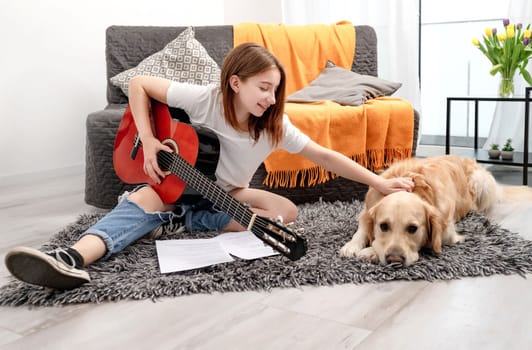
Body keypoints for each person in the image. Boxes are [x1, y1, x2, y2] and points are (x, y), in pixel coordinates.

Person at [4, 43, 414, 290]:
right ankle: (70, 259)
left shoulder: (274, 124)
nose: (271, 99)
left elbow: (325, 156)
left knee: (284, 214)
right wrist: (148, 141)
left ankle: (180, 219)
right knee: (135, 209)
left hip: (225, 192)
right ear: (236, 83)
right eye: (264, 88)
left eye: (276, 90)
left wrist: (382, 182)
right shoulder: (205, 99)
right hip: (175, 184)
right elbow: (139, 84)